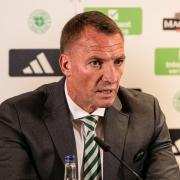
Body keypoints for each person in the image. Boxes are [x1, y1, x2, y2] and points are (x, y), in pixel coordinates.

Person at [0, 11, 179, 180]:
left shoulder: (147, 113)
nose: (112, 77)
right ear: (66, 65)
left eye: (118, 61)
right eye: (96, 62)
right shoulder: (17, 117)